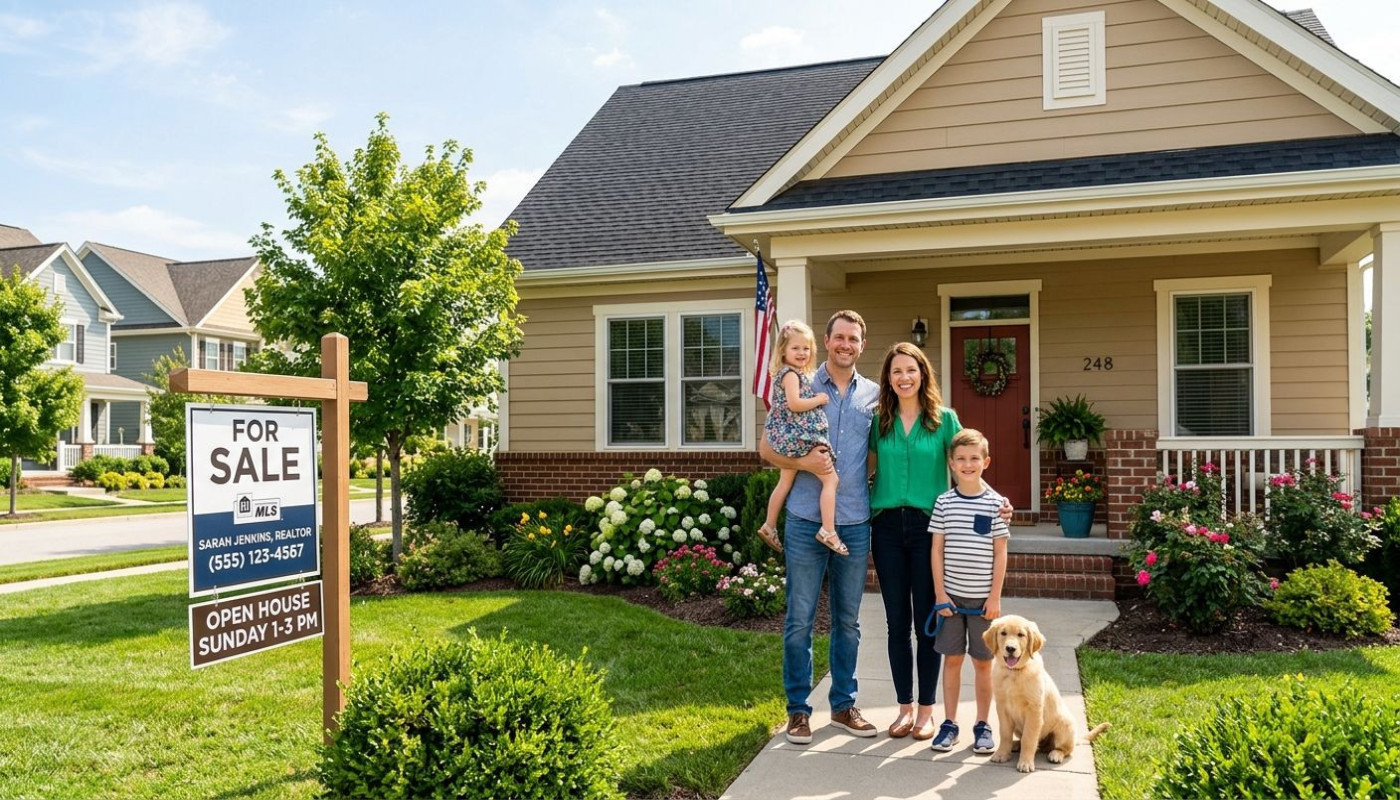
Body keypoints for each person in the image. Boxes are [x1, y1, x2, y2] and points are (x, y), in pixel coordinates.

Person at [758, 309, 880, 745]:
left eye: (855, 339)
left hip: (854, 521)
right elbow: (766, 450)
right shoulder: (802, 382)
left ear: (862, 345)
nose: (847, 344)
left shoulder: (873, 395)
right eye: (840, 337)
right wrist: (801, 463)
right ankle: (798, 712)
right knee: (799, 620)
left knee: (848, 622)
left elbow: (880, 451)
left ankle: (844, 706)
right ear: (826, 341)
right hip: (806, 518)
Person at [865, 342, 963, 741]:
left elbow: (966, 469)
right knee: (895, 623)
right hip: (886, 528)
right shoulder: (879, 422)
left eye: (911, 370)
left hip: (929, 530)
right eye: (896, 372)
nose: (904, 377)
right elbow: (863, 468)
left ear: (923, 374)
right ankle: (903, 707)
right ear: (888, 379)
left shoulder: (945, 421)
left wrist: (996, 504)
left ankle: (926, 711)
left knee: (927, 621)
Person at [928, 428, 1010, 756]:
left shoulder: (995, 505)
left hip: (982, 602)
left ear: (985, 462)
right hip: (951, 600)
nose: (967, 464)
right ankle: (949, 724)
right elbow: (936, 551)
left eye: (974, 458)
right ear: (951, 463)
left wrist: (994, 598)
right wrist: (939, 595)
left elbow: (1001, 552)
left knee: (983, 663)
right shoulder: (944, 503)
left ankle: (982, 725)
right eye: (960, 459)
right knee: (952, 660)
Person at [758, 319, 845, 557]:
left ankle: (769, 524)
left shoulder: (791, 374)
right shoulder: (791, 376)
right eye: (795, 348)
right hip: (800, 439)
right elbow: (795, 404)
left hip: (791, 438)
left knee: (785, 482)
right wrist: (818, 400)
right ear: (783, 350)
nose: (802, 353)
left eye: (806, 348)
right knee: (831, 480)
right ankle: (828, 530)